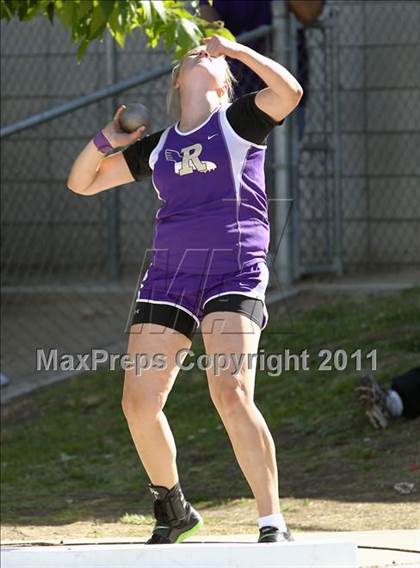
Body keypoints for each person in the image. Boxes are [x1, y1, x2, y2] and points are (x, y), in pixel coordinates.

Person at [67, 35, 303, 544]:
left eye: (211, 56)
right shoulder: (159, 146)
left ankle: (271, 520)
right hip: (171, 274)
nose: (200, 52)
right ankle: (174, 510)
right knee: (138, 402)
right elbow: (82, 182)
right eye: (190, 56)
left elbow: (288, 93)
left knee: (231, 390)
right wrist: (109, 136)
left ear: (224, 79)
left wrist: (237, 50)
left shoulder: (239, 120)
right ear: (178, 80)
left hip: (233, 267)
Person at [199, 0, 324, 137]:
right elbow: (208, 23)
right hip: (231, 91)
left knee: (281, 154)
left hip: (285, 91)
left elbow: (310, 12)